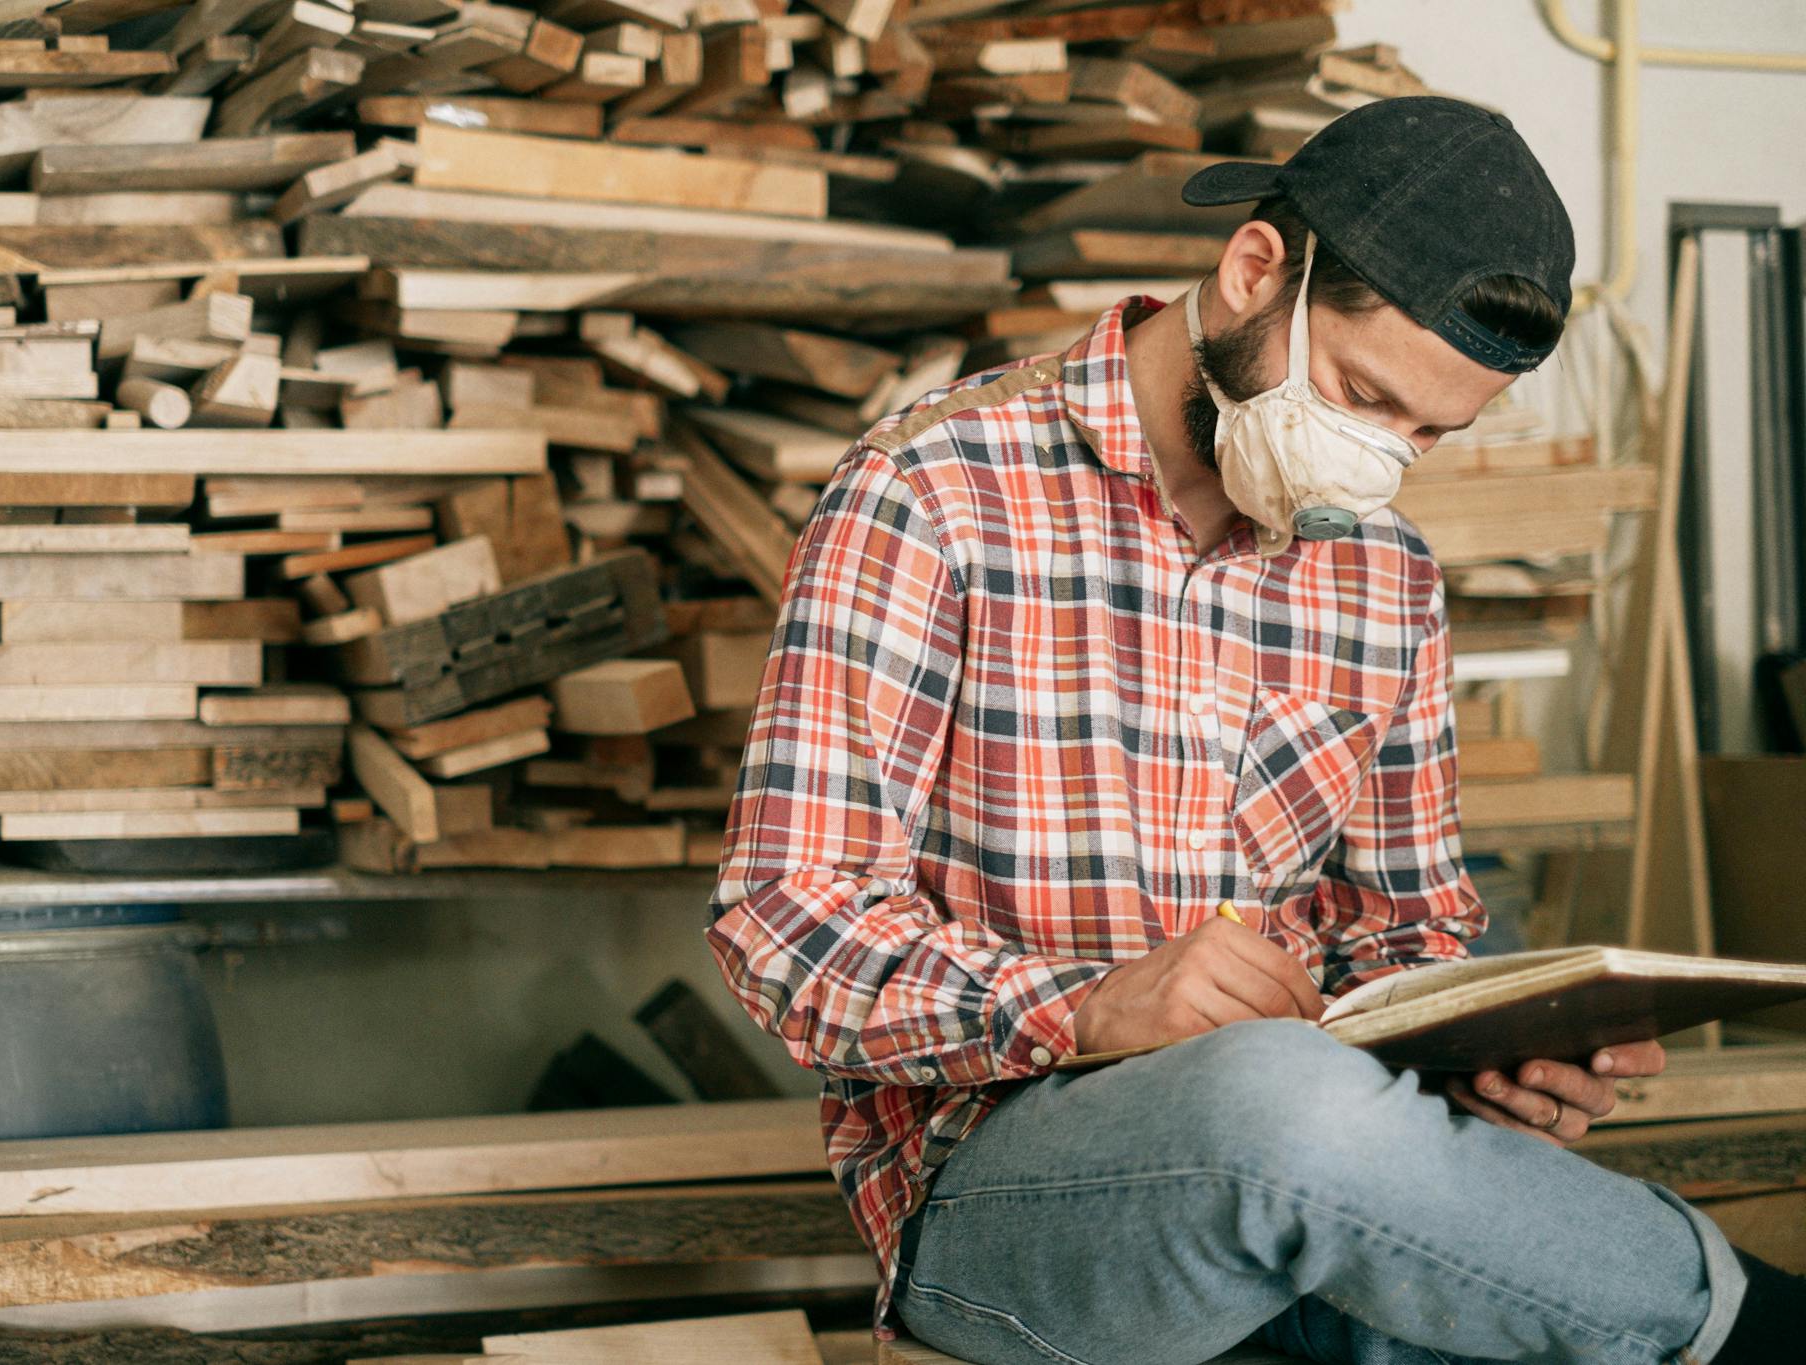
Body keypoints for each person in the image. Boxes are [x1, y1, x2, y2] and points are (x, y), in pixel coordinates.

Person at [706, 96, 1804, 1364]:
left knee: (1431, 1274)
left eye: (1426, 435)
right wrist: (1091, 1008)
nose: (1375, 463)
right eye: (1358, 394)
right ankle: (1761, 1329)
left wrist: (1482, 1054)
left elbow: (1408, 933)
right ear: (1250, 273)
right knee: (1280, 1107)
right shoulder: (931, 492)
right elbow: (783, 922)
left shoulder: (1381, 572)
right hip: (996, 1191)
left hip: (1303, 1178)